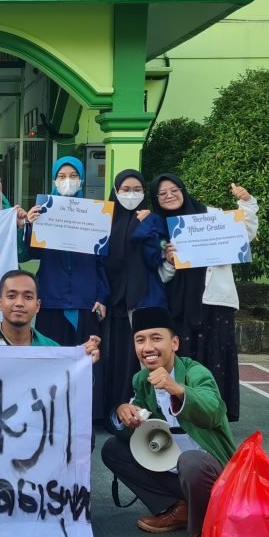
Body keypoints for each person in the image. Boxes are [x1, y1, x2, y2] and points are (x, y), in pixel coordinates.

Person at [100, 305, 237, 537]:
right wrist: (123, 414)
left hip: (211, 470)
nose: (148, 347)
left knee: (191, 462)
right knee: (113, 450)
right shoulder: (141, 379)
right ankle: (178, 508)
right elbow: (136, 430)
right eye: (140, 340)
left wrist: (178, 390)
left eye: (156, 338)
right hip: (174, 468)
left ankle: (202, 534)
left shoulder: (196, 372)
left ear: (174, 343)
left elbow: (214, 410)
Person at [145, 174, 259, 422]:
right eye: (162, 194)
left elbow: (245, 233)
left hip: (215, 302)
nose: (169, 196)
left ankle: (214, 416)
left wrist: (247, 202)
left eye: (173, 190)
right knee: (183, 358)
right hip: (178, 307)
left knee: (215, 358)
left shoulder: (210, 215)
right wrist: (168, 261)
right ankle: (179, 413)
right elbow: (163, 277)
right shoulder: (159, 227)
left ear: (183, 190)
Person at [100, 170, 167, 426]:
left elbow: (156, 259)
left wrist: (147, 227)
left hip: (143, 301)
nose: (131, 194)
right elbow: (101, 260)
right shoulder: (104, 221)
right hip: (112, 302)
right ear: (116, 192)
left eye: (137, 189)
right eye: (125, 189)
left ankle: (145, 412)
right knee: (113, 359)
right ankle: (112, 412)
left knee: (140, 359)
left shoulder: (154, 221)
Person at [20, 156, 109, 346]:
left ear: (82, 180)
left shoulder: (94, 215)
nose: (67, 181)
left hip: (85, 300)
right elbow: (33, 253)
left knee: (85, 360)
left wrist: (102, 297)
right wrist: (30, 225)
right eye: (61, 176)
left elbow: (100, 260)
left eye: (73, 175)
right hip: (51, 297)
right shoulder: (44, 212)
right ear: (54, 181)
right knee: (53, 357)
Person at [0, 269, 102, 359]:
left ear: (37, 306)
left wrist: (84, 363)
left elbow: (70, 390)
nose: (19, 303)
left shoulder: (52, 349)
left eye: (28, 297)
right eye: (11, 296)